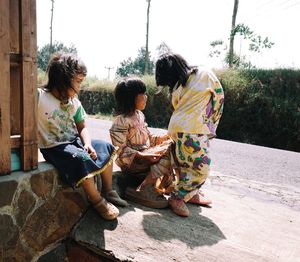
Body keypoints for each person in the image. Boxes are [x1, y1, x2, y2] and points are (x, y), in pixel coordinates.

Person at [37, 52, 127, 221]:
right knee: (81, 157)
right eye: (78, 81)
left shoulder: (74, 102)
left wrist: (88, 144)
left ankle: (108, 190)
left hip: (75, 141)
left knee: (105, 147)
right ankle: (96, 200)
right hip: (54, 147)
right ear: (62, 78)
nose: (79, 87)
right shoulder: (40, 97)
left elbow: (82, 126)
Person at [155, 53, 224, 217]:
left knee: (184, 164)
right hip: (194, 129)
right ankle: (178, 197)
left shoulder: (178, 86)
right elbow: (218, 99)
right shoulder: (205, 74)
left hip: (177, 128)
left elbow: (176, 106)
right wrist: (212, 124)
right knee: (201, 169)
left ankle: (191, 194)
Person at [110, 77, 174, 209]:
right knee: (169, 152)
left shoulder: (140, 115)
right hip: (133, 162)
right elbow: (119, 150)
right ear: (131, 98)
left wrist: (165, 138)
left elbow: (148, 139)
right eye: (142, 94)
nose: (146, 97)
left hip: (145, 155)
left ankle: (158, 184)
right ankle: (144, 188)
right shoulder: (121, 121)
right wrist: (143, 156)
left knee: (173, 144)